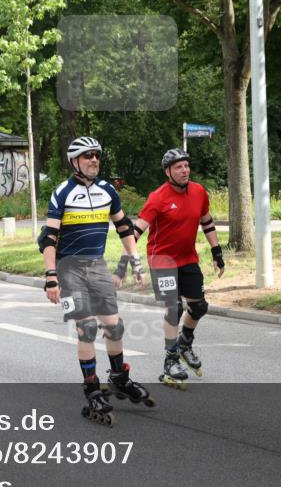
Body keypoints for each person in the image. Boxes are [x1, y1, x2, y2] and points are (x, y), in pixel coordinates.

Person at [40, 136, 152, 425]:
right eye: (87, 155)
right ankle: (91, 388)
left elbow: (124, 227)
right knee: (87, 328)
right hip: (68, 268)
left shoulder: (107, 191)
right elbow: (49, 238)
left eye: (97, 155)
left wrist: (135, 262)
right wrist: (51, 276)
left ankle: (119, 378)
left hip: (97, 266)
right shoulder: (62, 193)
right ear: (74, 161)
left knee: (114, 326)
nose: (94, 160)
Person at [134, 149, 225, 390]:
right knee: (174, 308)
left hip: (187, 258)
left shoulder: (199, 191)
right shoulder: (158, 197)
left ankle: (185, 343)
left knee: (199, 306)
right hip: (161, 260)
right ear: (168, 172)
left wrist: (217, 252)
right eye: (178, 167)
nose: (185, 170)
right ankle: (171, 360)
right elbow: (137, 230)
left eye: (186, 165)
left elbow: (207, 221)